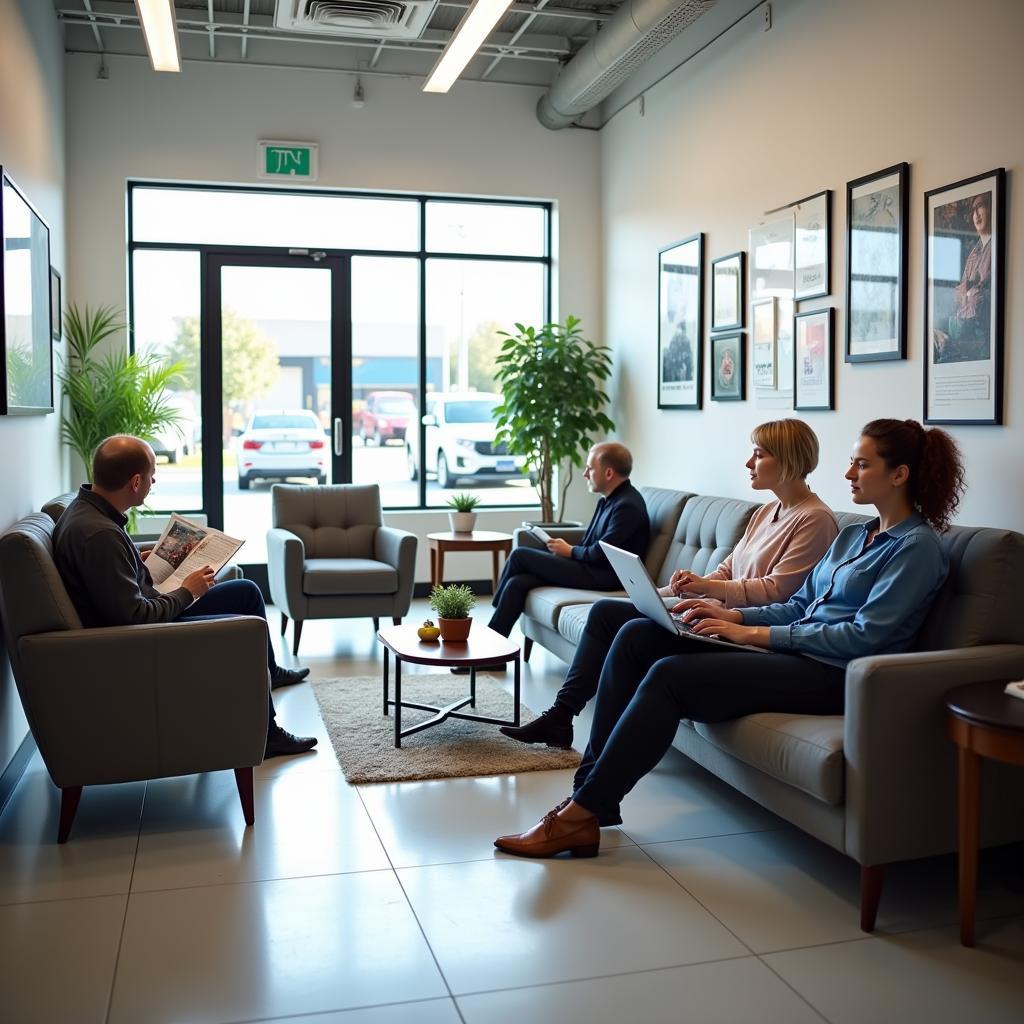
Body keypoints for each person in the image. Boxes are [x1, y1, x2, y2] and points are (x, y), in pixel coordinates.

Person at [495, 418, 965, 858]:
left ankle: (582, 814)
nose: (848, 472)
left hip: (831, 674)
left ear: (900, 473)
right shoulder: (854, 535)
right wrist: (730, 617)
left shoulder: (917, 549)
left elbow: (864, 637)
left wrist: (757, 633)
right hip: (797, 650)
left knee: (670, 675)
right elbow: (801, 604)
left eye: (862, 464)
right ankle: (587, 797)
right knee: (637, 635)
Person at [500, 419, 838, 748]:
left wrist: (709, 589)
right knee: (605, 612)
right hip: (712, 616)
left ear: (789, 460)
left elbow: (777, 591)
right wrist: (696, 582)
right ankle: (561, 716)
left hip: (744, 636)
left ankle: (578, 731)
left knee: (620, 623)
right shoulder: (767, 511)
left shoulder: (815, 520)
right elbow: (728, 568)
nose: (749, 462)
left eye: (759, 455)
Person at [53, 435, 317, 759]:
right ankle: (268, 735)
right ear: (135, 482)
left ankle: (270, 673)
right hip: (147, 640)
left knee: (246, 592)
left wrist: (139, 557)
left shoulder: (86, 512)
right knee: (247, 625)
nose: (154, 481)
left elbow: (113, 575)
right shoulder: (100, 535)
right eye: (151, 475)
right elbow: (134, 617)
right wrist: (187, 590)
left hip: (145, 613)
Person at [477, 441, 649, 646]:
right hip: (589, 568)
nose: (585, 473)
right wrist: (566, 550)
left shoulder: (627, 506)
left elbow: (602, 553)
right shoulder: (608, 499)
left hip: (603, 577)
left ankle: (487, 632)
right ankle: (493, 649)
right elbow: (591, 542)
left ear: (609, 473)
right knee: (517, 583)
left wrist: (570, 551)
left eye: (590, 468)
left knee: (519, 555)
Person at [934, 192, 992, 364]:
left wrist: (970, 293)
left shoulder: (996, 247)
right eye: (973, 210)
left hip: (979, 326)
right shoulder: (974, 252)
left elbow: (984, 288)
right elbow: (961, 289)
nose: (976, 214)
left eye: (980, 207)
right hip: (963, 321)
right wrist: (964, 293)